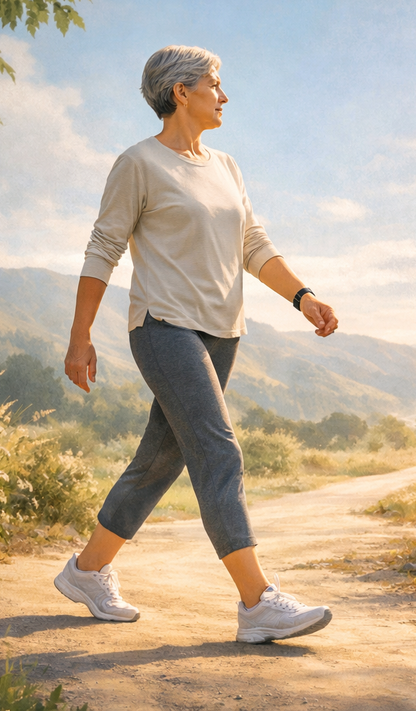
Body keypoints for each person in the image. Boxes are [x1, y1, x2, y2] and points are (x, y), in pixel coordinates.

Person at [53, 45, 339, 644]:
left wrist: (303, 296)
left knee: (162, 458)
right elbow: (103, 248)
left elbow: (253, 243)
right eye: (215, 84)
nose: (224, 96)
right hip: (163, 327)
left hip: (222, 330)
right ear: (180, 92)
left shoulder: (227, 166)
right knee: (217, 450)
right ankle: (257, 602)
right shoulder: (138, 164)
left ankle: (87, 570)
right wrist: (80, 336)